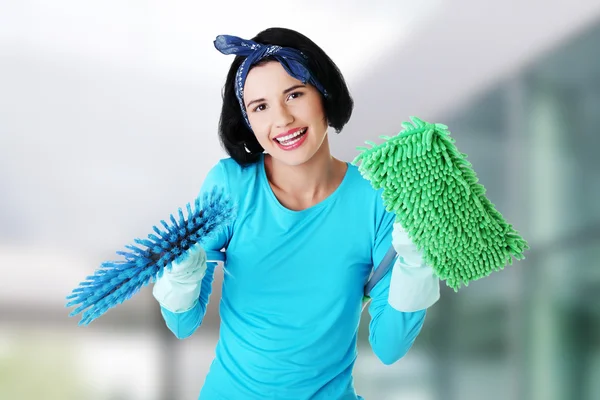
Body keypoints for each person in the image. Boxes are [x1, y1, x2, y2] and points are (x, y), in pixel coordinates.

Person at [152, 27, 440, 400]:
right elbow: (182, 324)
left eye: (294, 94)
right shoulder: (231, 184)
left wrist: (416, 263)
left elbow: (390, 347)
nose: (282, 119)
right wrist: (183, 271)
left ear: (323, 94)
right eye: (260, 106)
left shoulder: (376, 199)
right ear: (247, 121)